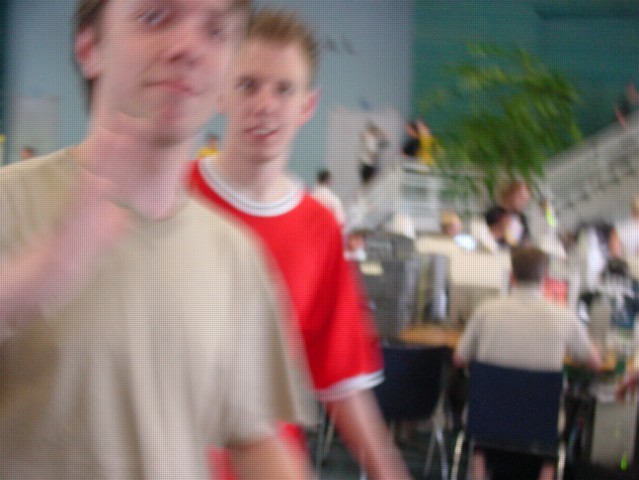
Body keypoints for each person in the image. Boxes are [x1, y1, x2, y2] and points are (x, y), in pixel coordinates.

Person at [0, 1, 314, 478]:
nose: (188, 47)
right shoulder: (9, 203)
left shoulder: (235, 255)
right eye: (154, 17)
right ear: (90, 46)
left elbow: (253, 440)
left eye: (215, 30)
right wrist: (39, 275)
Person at [189, 9, 412, 480]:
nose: (265, 104)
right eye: (248, 85)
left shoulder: (319, 227)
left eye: (283, 89)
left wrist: (389, 471)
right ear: (220, 93)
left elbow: (342, 381)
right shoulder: (171, 197)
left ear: (307, 105)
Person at [454, 247, 602, 480]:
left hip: (488, 420)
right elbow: (595, 362)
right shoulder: (564, 316)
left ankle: (479, 463)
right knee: (556, 418)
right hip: (540, 424)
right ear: (545, 277)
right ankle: (547, 467)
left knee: (475, 407)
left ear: (512, 275)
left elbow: (459, 358)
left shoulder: (485, 311)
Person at [498, 179, 532, 247]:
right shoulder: (495, 213)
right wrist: (500, 228)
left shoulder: (522, 217)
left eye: (525, 199)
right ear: (510, 194)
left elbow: (526, 240)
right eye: (521, 197)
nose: (523, 202)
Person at [358, 121, 388, 185]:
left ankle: (366, 181)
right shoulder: (370, 137)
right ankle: (366, 181)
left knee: (368, 170)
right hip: (368, 159)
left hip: (369, 160)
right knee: (367, 170)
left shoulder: (372, 138)